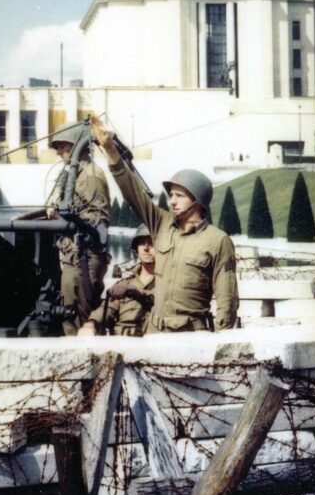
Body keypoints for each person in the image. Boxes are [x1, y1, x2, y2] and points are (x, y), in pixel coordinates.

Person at [91, 115, 238, 332]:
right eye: (172, 195)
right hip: (154, 331)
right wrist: (110, 150)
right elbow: (132, 192)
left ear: (197, 201)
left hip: (191, 335)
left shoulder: (217, 241)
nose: (172, 201)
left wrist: (220, 339)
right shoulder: (161, 224)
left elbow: (227, 298)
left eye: (180, 196)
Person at [46, 120, 111, 335]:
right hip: (72, 254)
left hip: (85, 256)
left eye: (63, 146)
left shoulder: (91, 175)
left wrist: (64, 218)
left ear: (77, 145)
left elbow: (98, 222)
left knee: (77, 317)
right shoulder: (72, 174)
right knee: (69, 313)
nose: (59, 153)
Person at [78, 224, 155, 337]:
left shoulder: (168, 283)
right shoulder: (125, 283)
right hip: (121, 343)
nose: (146, 248)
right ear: (136, 249)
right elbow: (107, 308)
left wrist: (137, 293)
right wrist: (91, 323)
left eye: (151, 242)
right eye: (142, 243)